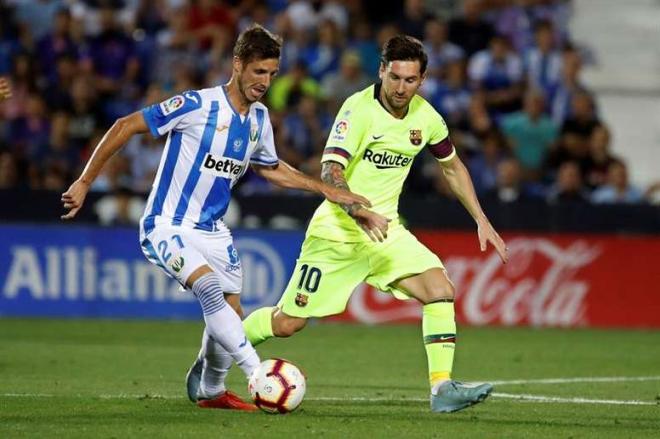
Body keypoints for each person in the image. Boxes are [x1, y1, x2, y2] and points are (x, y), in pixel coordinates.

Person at [60, 25, 372, 411]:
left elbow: (270, 168)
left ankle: (210, 389)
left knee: (231, 309)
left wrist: (326, 189)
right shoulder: (196, 105)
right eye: (259, 72)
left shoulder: (259, 119)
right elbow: (125, 126)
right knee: (208, 290)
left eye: (272, 74)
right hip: (167, 224)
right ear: (237, 64)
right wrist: (85, 181)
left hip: (213, 230)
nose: (265, 82)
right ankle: (260, 375)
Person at [241, 35, 508, 414]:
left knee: (439, 289)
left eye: (410, 81)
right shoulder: (358, 111)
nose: (401, 88)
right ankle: (219, 347)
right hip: (337, 233)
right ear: (382, 70)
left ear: (422, 79)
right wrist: (357, 209)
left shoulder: (427, 118)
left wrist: (481, 218)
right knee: (287, 324)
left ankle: (441, 388)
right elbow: (330, 169)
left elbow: (451, 165)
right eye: (395, 78)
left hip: (385, 231)